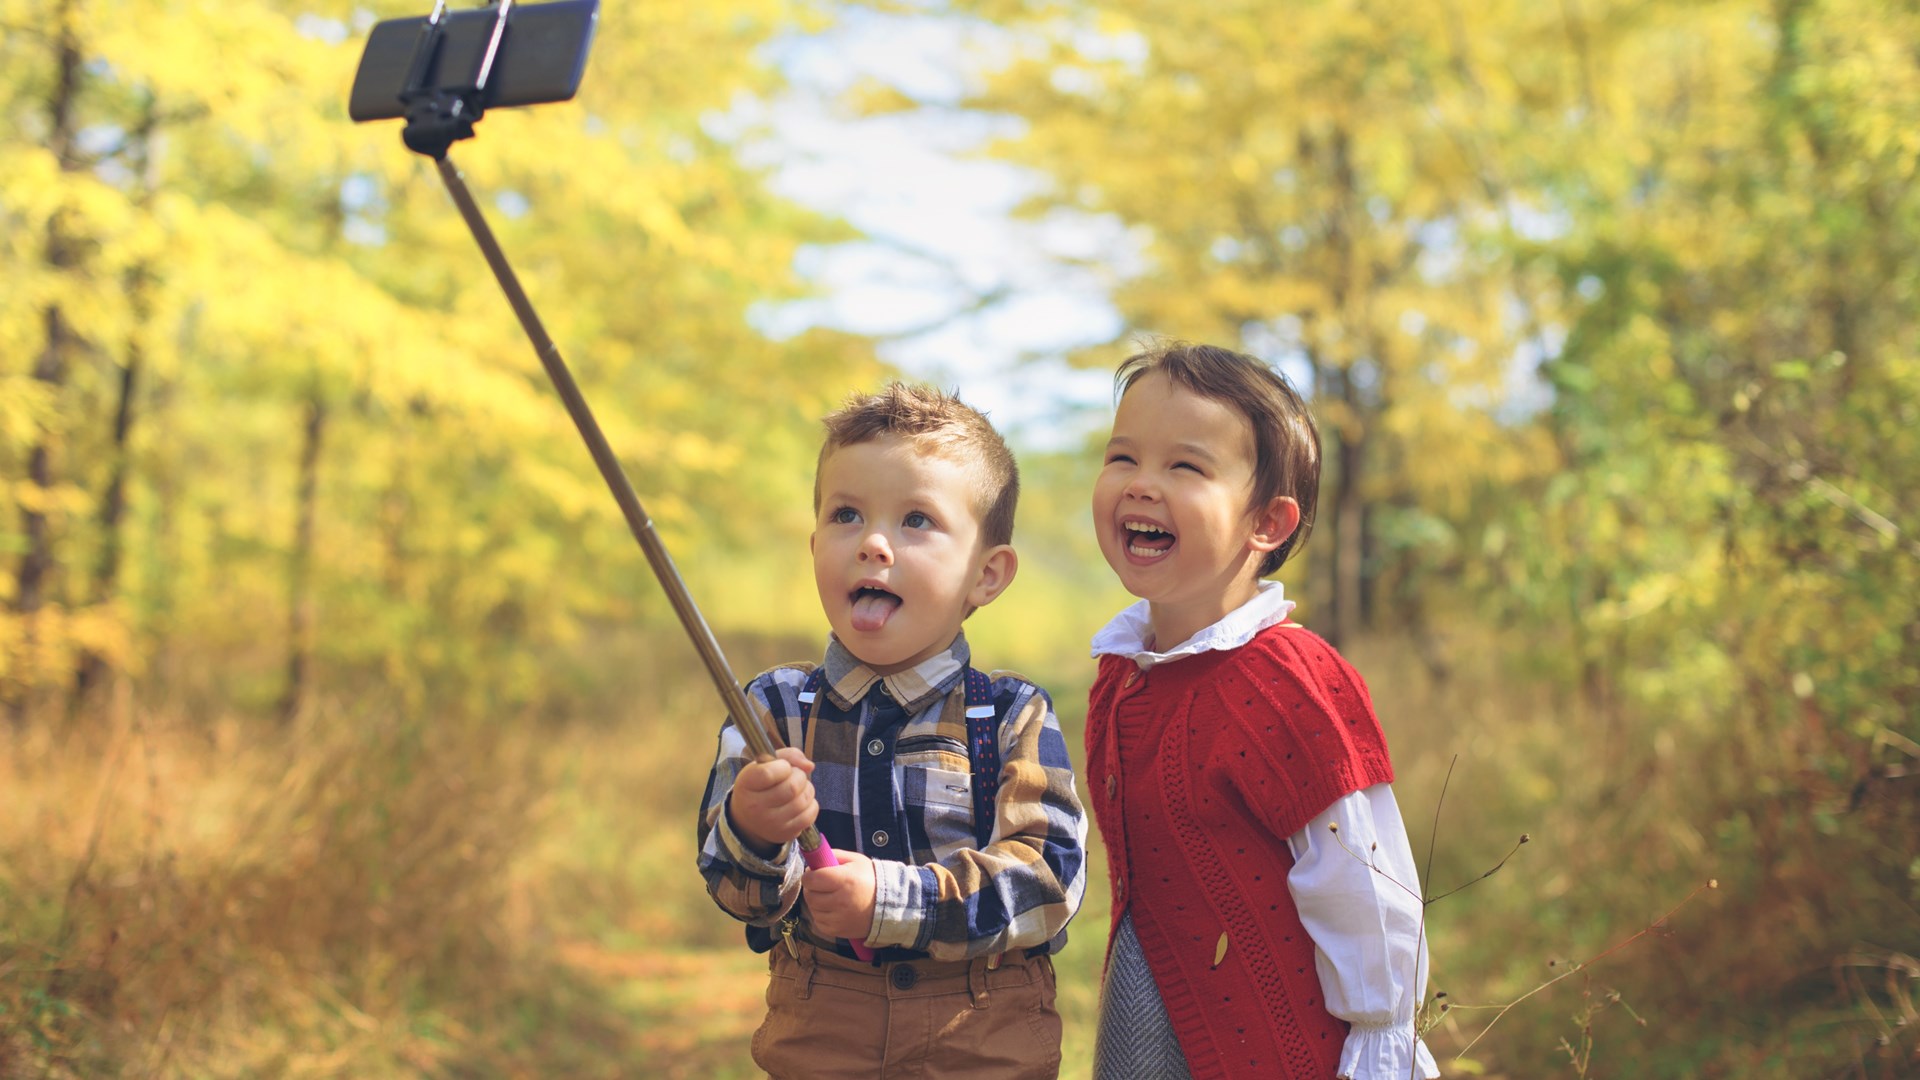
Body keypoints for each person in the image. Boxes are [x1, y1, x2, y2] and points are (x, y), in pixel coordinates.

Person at [696, 382, 1088, 1079]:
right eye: (846, 515)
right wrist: (753, 828)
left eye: (916, 520)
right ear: (815, 546)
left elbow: (1049, 878)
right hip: (823, 1026)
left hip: (982, 1032)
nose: (873, 544)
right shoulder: (774, 709)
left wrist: (893, 900)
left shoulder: (1009, 714)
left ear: (986, 574)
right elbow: (739, 894)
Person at [1084, 341, 1439, 1079]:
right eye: (1123, 457)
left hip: (1276, 1050)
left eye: (1185, 467)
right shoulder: (1120, 677)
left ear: (1268, 524)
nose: (1141, 484)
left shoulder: (1287, 680)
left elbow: (1364, 889)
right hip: (1146, 1022)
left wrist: (1382, 1043)